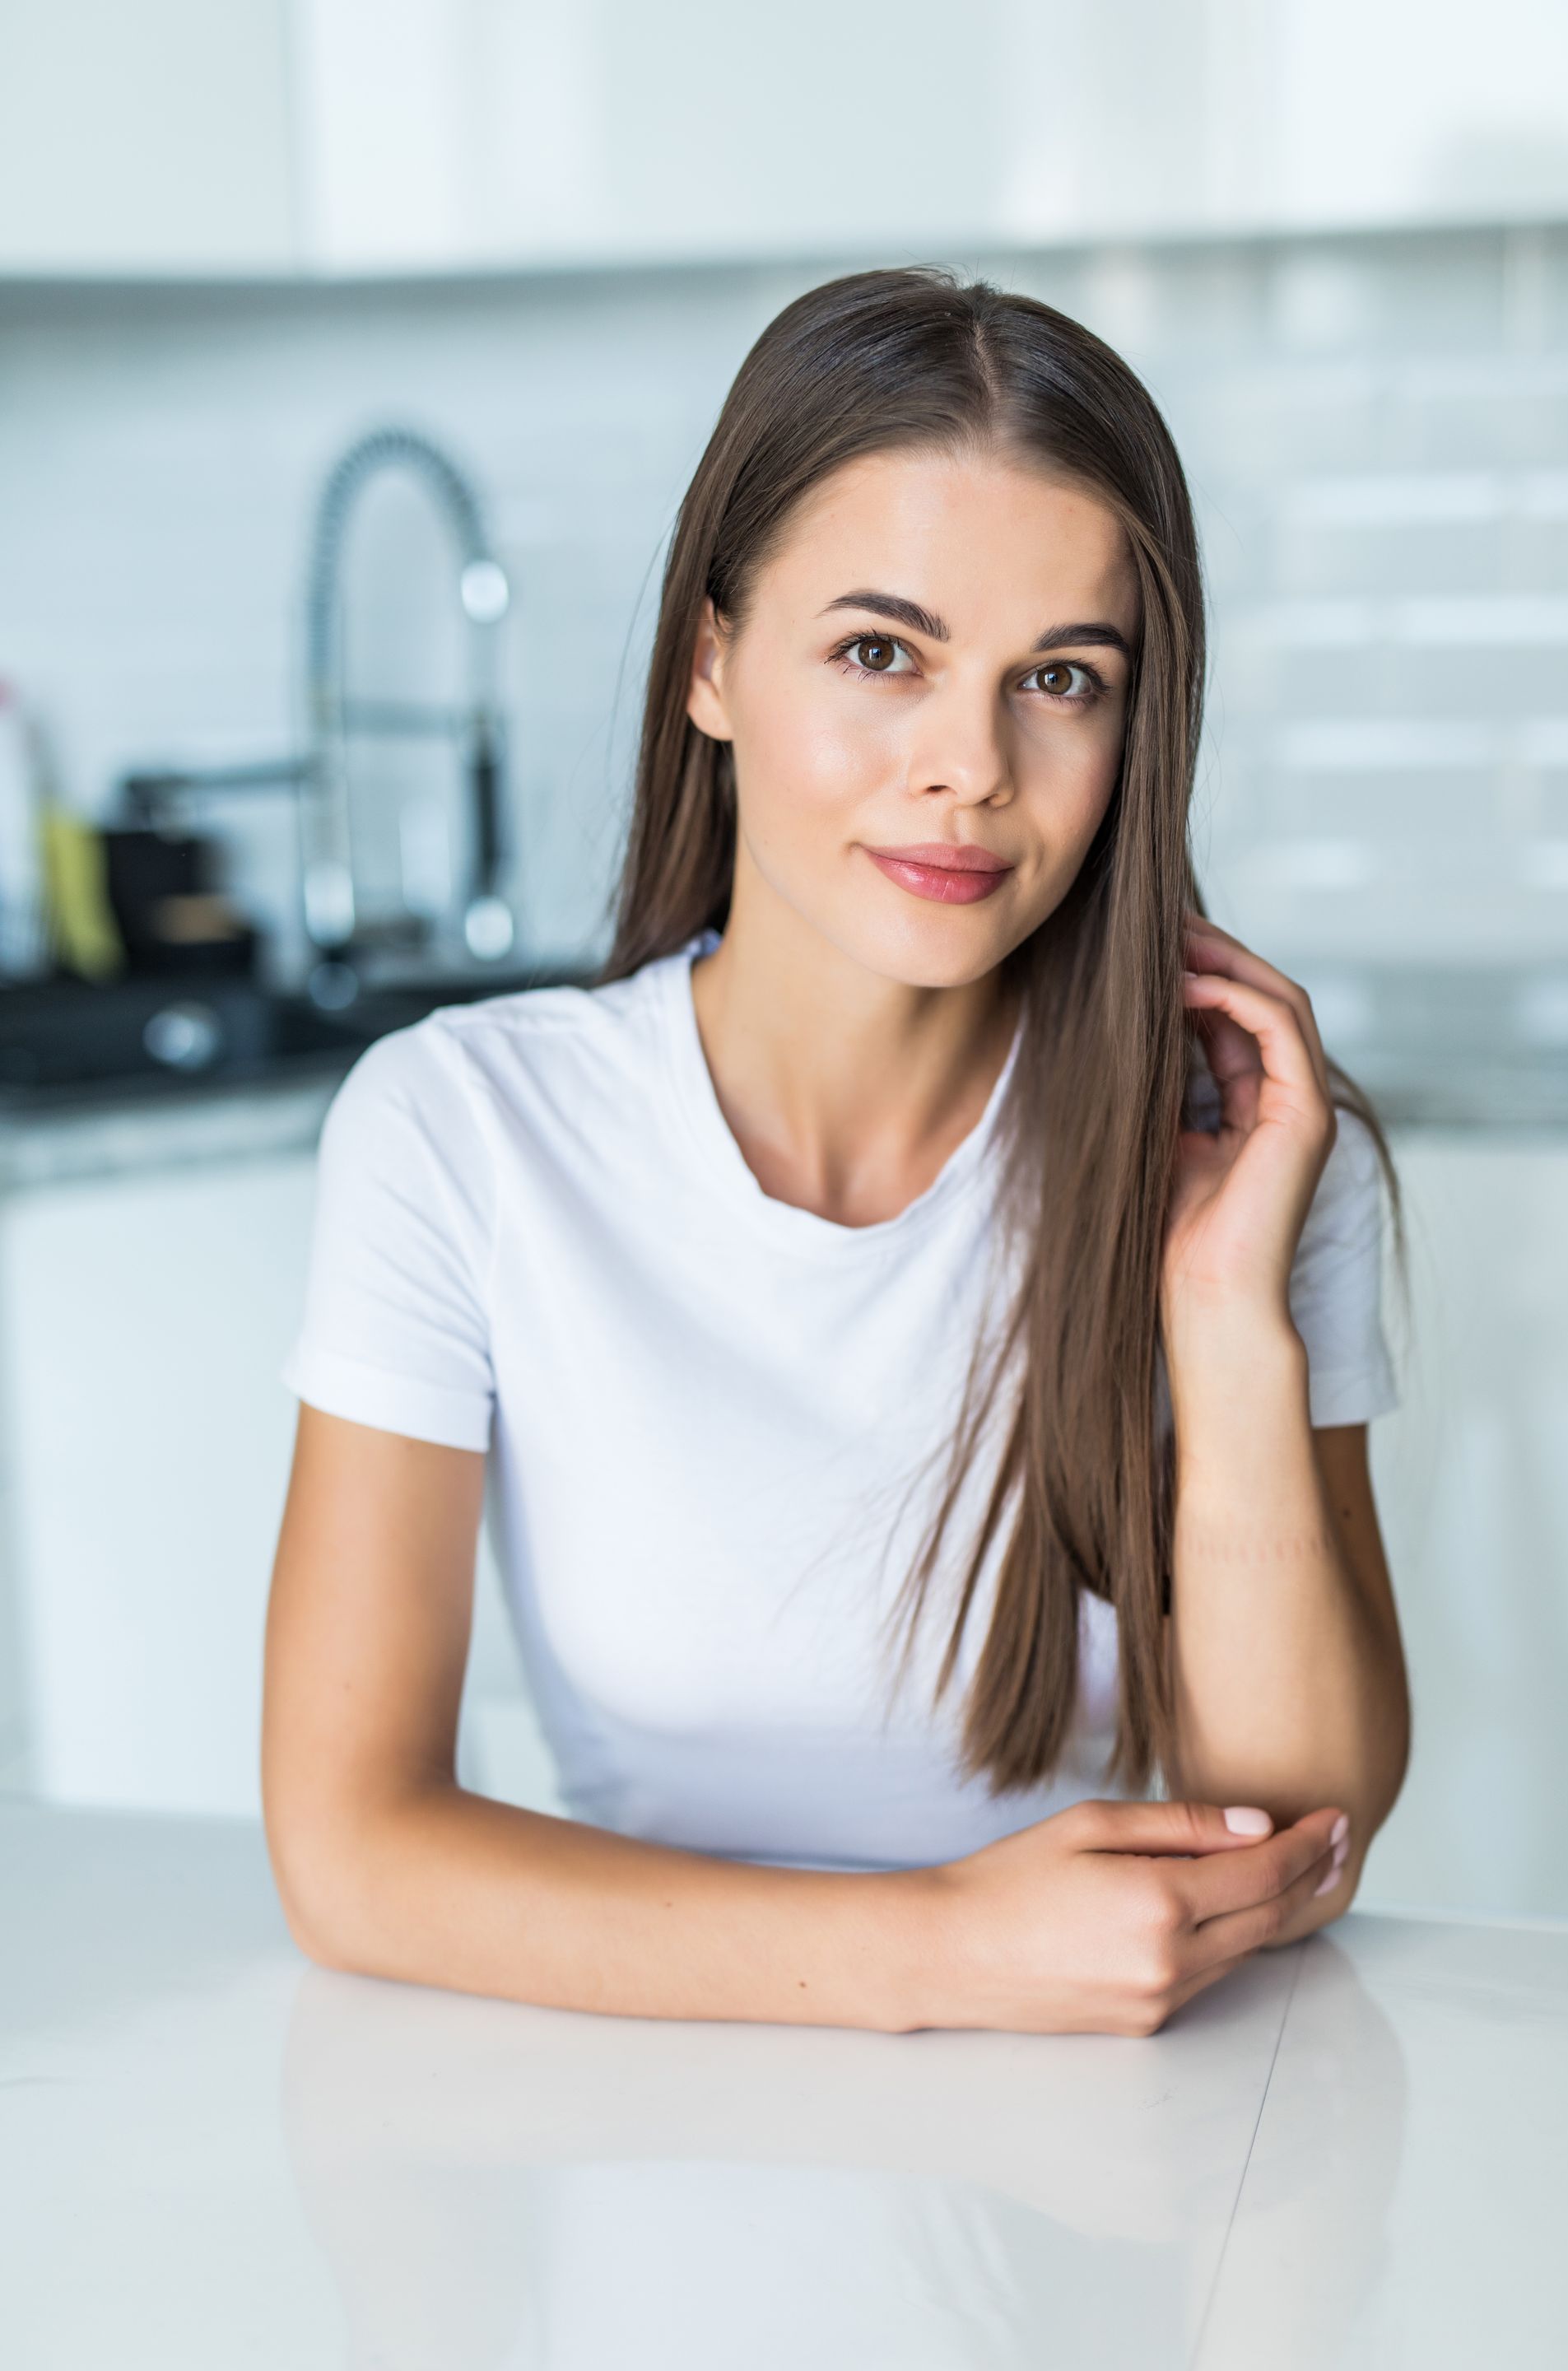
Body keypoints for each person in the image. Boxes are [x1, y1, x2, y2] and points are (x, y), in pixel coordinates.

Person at [262, 267, 1412, 2038]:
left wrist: (1221, 1316)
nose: (969, 768)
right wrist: (939, 1952)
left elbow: (1298, 1834)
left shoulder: (1235, 1151)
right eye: (883, 654)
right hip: (646, 2152)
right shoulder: (462, 1133)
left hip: (1131, 2167)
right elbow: (352, 1848)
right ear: (714, 659)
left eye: (1063, 679)